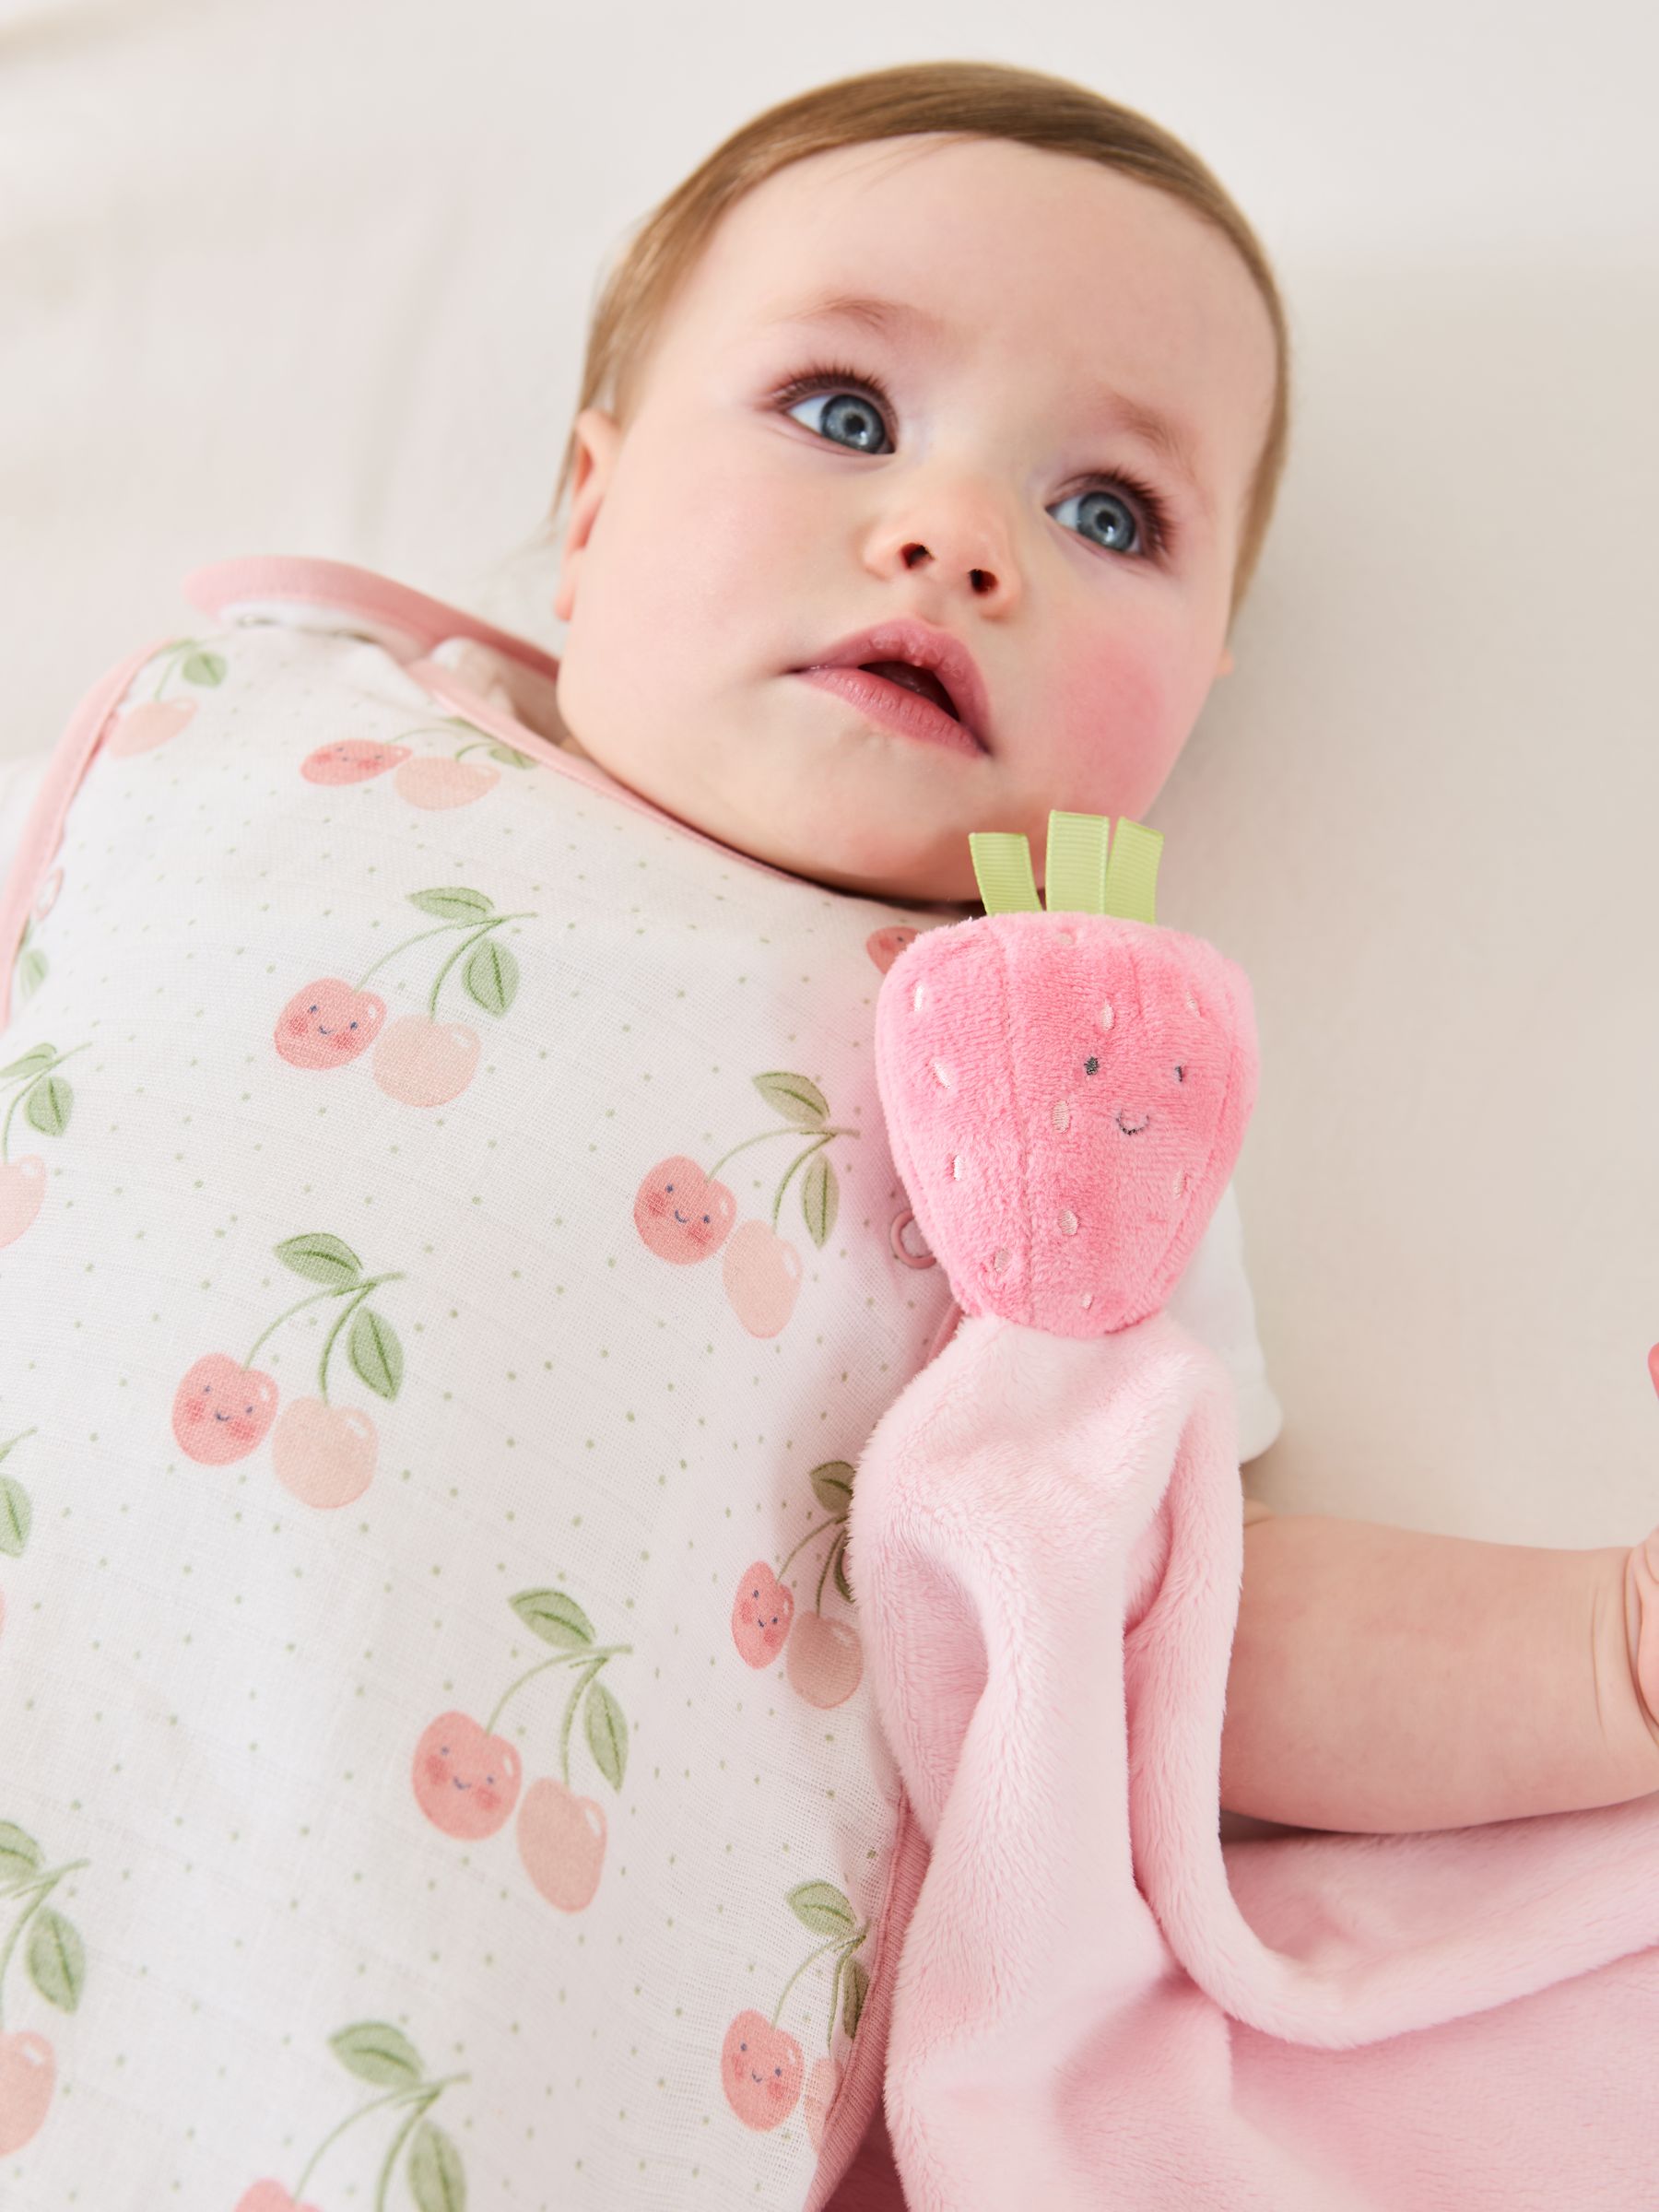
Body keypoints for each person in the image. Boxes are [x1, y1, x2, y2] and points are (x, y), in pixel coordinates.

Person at [527, 59, 1659, 1839]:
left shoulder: (1075, 1089)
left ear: (1200, 691)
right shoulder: (277, 731)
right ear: (590, 512)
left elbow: (1165, 1640)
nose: (957, 536)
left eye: (1108, 513)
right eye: (843, 411)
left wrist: (1615, 1658)